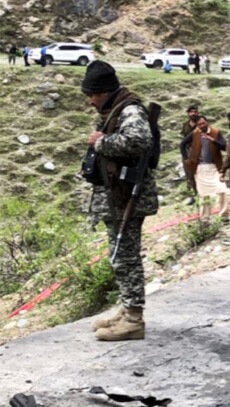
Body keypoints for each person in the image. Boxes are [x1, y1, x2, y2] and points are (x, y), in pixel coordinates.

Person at [81, 61, 158, 341]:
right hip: (117, 196)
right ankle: (126, 311)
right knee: (121, 256)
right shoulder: (118, 109)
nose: (90, 101)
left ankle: (134, 319)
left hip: (128, 198)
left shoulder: (129, 110)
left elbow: (139, 141)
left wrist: (101, 142)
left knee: (125, 257)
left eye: (92, 94)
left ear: (105, 92)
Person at [182, 116, 229, 219]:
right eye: (199, 124)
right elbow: (182, 144)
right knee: (203, 193)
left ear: (207, 122)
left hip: (214, 166)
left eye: (203, 123)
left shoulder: (215, 132)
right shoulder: (194, 133)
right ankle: (205, 217)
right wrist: (187, 160)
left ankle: (224, 215)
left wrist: (212, 140)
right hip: (200, 167)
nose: (202, 126)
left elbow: (224, 147)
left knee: (222, 189)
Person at [179, 105, 200, 200]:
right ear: (188, 113)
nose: (193, 113)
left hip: (199, 151)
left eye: (195, 111)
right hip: (188, 151)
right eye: (191, 112)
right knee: (189, 174)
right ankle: (193, 195)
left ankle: (202, 193)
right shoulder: (185, 125)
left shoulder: (201, 124)